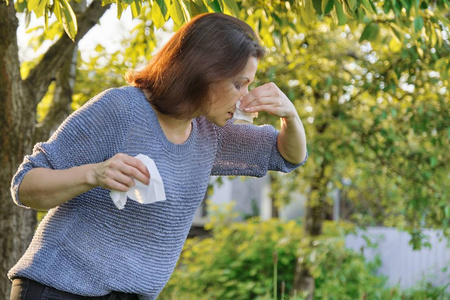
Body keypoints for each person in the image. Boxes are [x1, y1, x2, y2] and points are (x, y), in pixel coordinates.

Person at [9, 13, 307, 300]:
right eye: (238, 83)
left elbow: (286, 155)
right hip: (57, 288)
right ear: (205, 72)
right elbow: (25, 186)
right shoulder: (122, 109)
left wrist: (290, 116)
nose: (245, 96)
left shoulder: (211, 132)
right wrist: (94, 174)